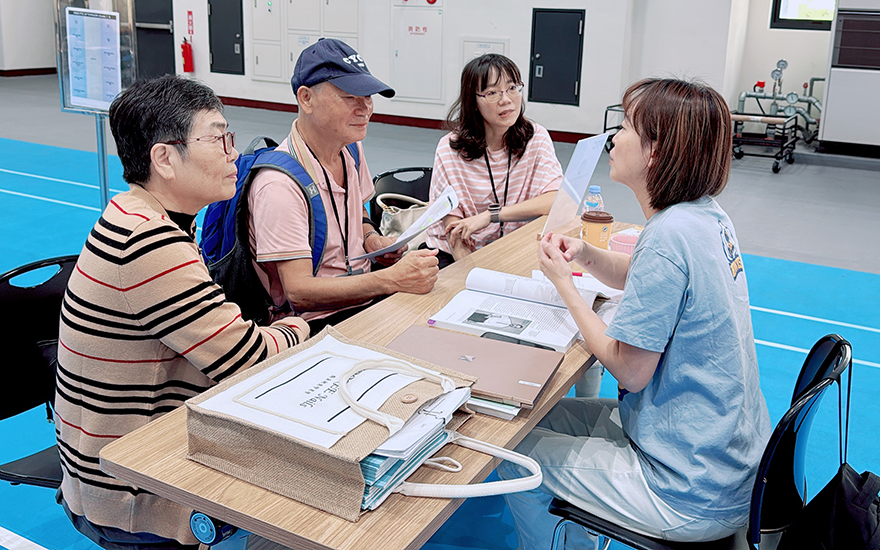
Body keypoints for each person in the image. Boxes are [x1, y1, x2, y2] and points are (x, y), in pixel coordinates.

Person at [497, 78, 771, 550]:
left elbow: (629, 370)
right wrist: (585, 254)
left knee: (513, 455)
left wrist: (565, 286)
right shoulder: (702, 216)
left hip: (686, 488)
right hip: (723, 459)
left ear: (655, 152)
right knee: (534, 421)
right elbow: (642, 274)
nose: (614, 137)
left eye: (625, 127)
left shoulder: (667, 237)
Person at [55, 75, 310, 548]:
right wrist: (299, 327)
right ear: (165, 159)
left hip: (117, 459)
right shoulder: (148, 242)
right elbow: (247, 360)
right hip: (132, 489)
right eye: (218, 139)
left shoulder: (136, 214)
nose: (233, 154)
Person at [248, 38, 439, 333]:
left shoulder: (350, 148)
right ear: (306, 98)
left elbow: (357, 212)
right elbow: (299, 291)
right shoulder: (278, 185)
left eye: (368, 96)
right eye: (350, 97)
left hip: (365, 298)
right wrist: (390, 279)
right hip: (315, 322)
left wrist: (371, 239)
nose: (365, 108)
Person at [424, 53, 562, 267]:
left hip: (513, 249)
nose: (506, 100)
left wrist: (492, 215)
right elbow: (453, 228)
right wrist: (472, 271)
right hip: (456, 253)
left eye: (512, 88)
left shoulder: (536, 138)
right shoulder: (450, 149)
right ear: (473, 101)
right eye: (492, 93)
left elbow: (557, 200)